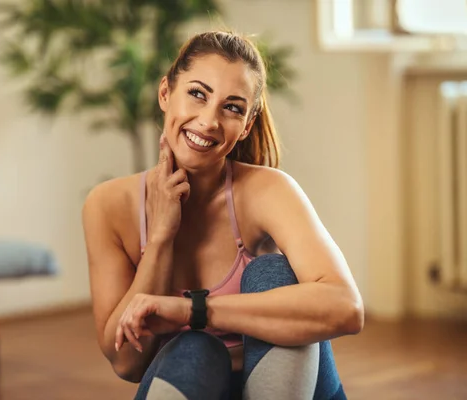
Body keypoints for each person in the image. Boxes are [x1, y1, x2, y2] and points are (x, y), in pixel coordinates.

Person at [82, 30, 364, 400]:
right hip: (193, 384)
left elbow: (346, 307)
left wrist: (193, 311)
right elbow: (126, 364)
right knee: (195, 349)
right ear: (165, 93)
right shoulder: (107, 205)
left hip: (286, 388)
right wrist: (162, 235)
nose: (209, 121)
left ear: (246, 125)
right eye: (197, 94)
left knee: (272, 273)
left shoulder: (267, 191)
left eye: (232, 107)